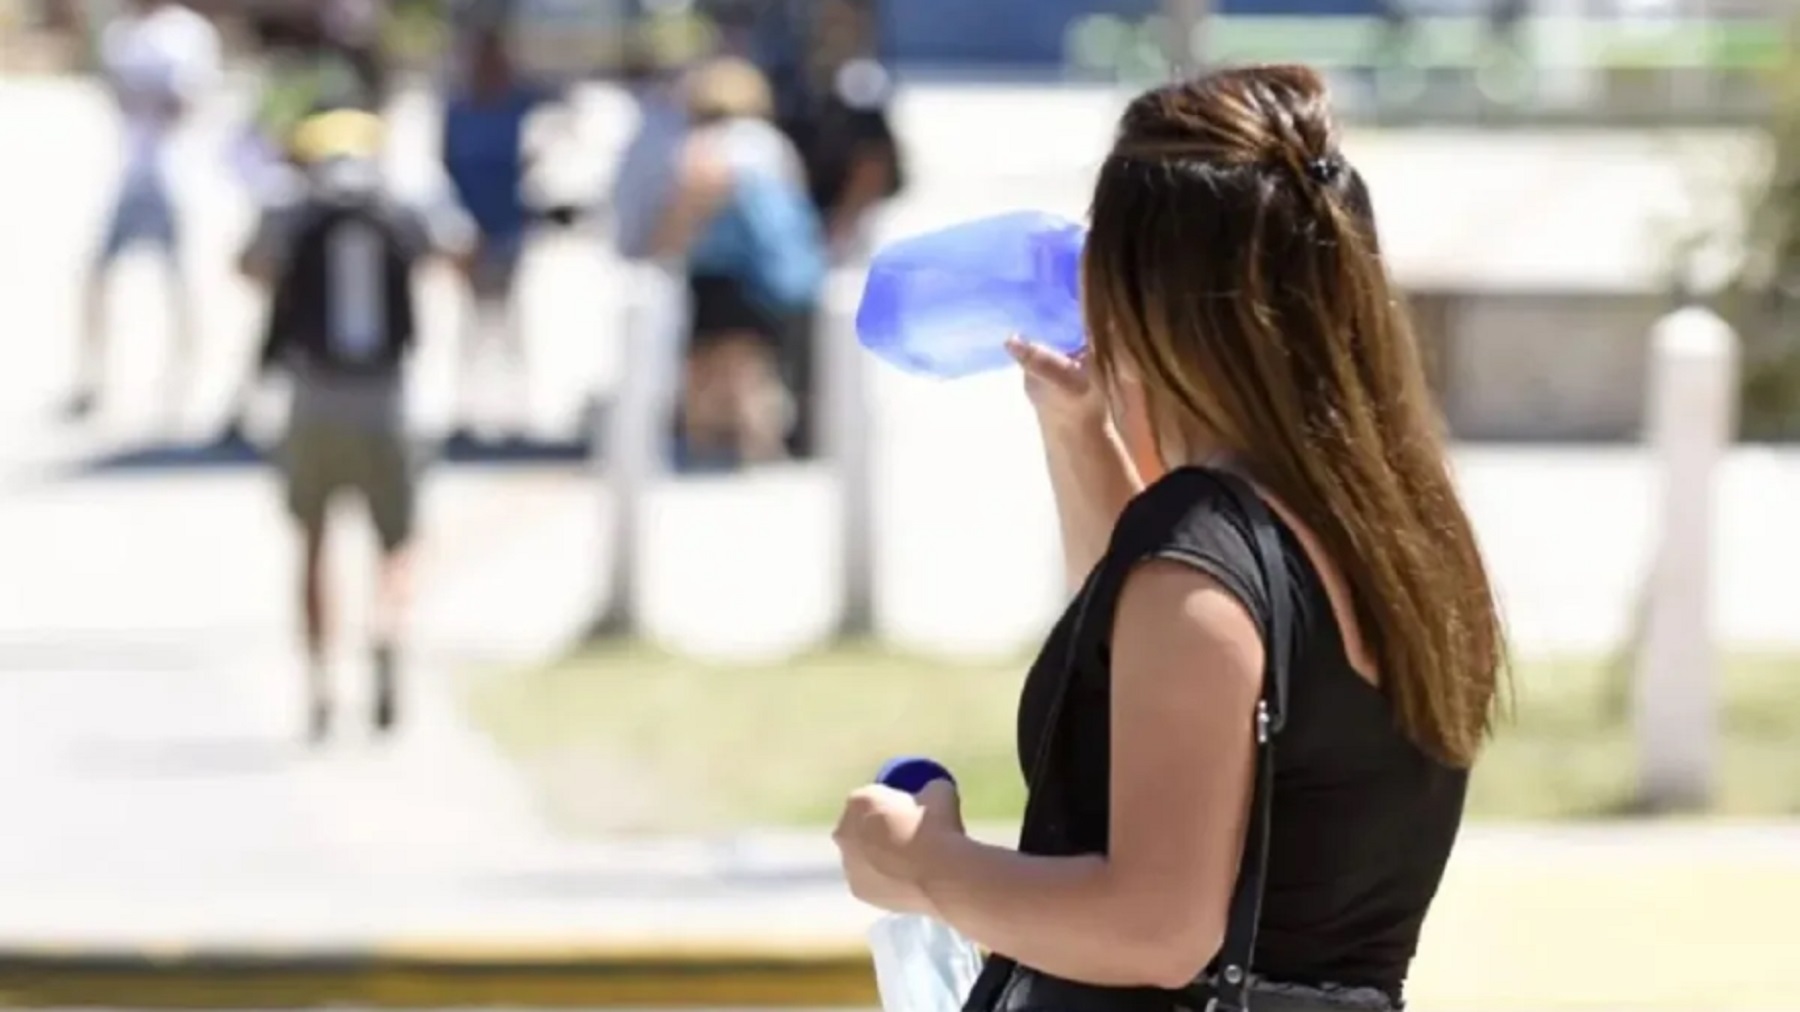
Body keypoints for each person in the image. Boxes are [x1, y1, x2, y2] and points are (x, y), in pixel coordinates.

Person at [831, 65, 1506, 1012]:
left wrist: (919, 864)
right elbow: (1161, 659)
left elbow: (1154, 926)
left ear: (1144, 292)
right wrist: (1077, 428)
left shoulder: (1201, 553)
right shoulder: (1400, 531)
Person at [238, 108, 475, 744]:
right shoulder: (402, 204)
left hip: (312, 397)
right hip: (388, 396)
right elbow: (456, 251)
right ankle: (386, 631)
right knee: (396, 543)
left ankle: (319, 680)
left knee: (312, 542)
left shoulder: (291, 208)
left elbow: (249, 267)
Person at [650, 57, 827, 468]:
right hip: (772, 273)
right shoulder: (772, 143)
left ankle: (714, 454)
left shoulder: (712, 142)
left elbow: (697, 191)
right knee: (753, 366)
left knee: (712, 368)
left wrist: (665, 244)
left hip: (723, 273)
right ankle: (761, 451)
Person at [73, 0, 220, 420]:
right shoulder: (122, 33)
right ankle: (92, 379)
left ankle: (183, 381)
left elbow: (189, 100)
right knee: (97, 276)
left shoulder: (186, 32)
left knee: (180, 284)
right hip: (131, 171)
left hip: (176, 174)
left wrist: (150, 96)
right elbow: (112, 92)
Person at [440, 25, 561, 440]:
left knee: (511, 324)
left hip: (510, 227)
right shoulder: (458, 109)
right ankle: (469, 411)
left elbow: (558, 122)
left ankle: (517, 413)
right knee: (472, 326)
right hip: (469, 230)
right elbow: (445, 170)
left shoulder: (520, 104)